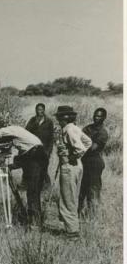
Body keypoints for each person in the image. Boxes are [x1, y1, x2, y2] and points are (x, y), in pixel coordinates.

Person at [0, 123, 48, 228]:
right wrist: (12, 165)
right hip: (36, 156)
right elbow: (23, 157)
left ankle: (35, 224)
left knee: (33, 192)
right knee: (33, 192)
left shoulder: (12, 129)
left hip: (35, 157)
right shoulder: (22, 137)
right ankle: (34, 221)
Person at [52, 106, 92, 240]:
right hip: (76, 166)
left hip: (69, 166)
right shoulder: (74, 128)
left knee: (67, 199)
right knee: (72, 197)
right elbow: (88, 142)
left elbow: (80, 148)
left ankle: (72, 233)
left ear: (65, 117)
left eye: (59, 117)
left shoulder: (69, 129)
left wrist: (71, 157)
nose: (58, 120)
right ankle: (72, 228)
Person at [79, 107, 108, 215]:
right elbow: (79, 139)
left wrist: (83, 142)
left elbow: (92, 148)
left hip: (95, 162)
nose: (96, 118)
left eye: (99, 116)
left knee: (93, 190)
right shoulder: (88, 128)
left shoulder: (103, 133)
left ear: (104, 118)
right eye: (95, 115)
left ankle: (92, 216)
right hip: (84, 160)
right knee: (82, 188)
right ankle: (79, 213)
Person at [25, 103, 54, 186]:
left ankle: (47, 186)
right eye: (37, 110)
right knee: (34, 168)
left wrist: (49, 151)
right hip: (34, 150)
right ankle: (35, 185)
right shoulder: (32, 120)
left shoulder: (49, 121)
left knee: (44, 169)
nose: (39, 111)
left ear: (44, 110)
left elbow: (51, 138)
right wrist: (35, 124)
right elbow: (26, 132)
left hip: (44, 150)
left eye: (41, 110)